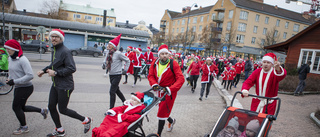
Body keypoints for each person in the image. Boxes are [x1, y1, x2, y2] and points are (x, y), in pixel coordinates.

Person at [37, 29, 92, 136]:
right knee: (51, 106)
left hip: (65, 86)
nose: (53, 38)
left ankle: (86, 120)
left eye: (56, 37)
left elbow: (72, 68)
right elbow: (54, 64)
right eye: (52, 36)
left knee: (62, 109)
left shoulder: (65, 51)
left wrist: (56, 73)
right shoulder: (55, 50)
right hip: (56, 84)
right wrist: (43, 71)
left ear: (61, 39)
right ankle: (60, 130)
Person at [4, 39, 48, 135]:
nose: (8, 51)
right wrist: (9, 79)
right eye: (6, 49)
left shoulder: (23, 60)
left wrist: (14, 81)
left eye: (9, 49)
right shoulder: (10, 58)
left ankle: (24, 127)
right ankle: (42, 111)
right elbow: (11, 71)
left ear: (14, 49)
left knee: (16, 107)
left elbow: (30, 75)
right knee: (21, 108)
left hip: (26, 88)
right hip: (18, 87)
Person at [148, 44, 185, 137]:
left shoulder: (173, 63)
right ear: (159, 55)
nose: (164, 55)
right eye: (162, 54)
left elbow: (181, 79)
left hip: (169, 92)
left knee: (161, 112)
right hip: (158, 90)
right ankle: (171, 121)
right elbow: (151, 75)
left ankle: (158, 134)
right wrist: (154, 84)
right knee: (163, 110)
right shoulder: (154, 63)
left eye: (166, 54)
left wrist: (170, 89)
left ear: (169, 55)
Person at [102, 34, 130, 109]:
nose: (108, 45)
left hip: (117, 75)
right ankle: (125, 102)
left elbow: (128, 60)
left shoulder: (118, 54)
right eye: (108, 44)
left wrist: (125, 70)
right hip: (111, 75)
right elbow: (105, 61)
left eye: (110, 44)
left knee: (112, 92)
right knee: (117, 90)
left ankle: (111, 109)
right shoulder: (108, 53)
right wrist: (104, 65)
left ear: (113, 46)